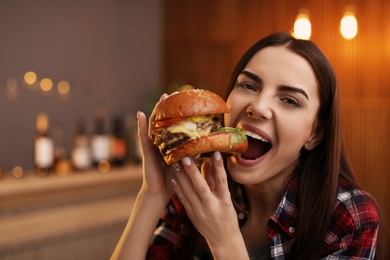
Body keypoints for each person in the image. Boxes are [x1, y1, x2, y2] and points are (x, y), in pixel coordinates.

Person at [112, 32, 385, 259]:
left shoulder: (350, 216)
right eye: (249, 86)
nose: (259, 107)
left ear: (315, 134)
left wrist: (225, 240)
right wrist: (152, 194)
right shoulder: (195, 187)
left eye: (289, 100)